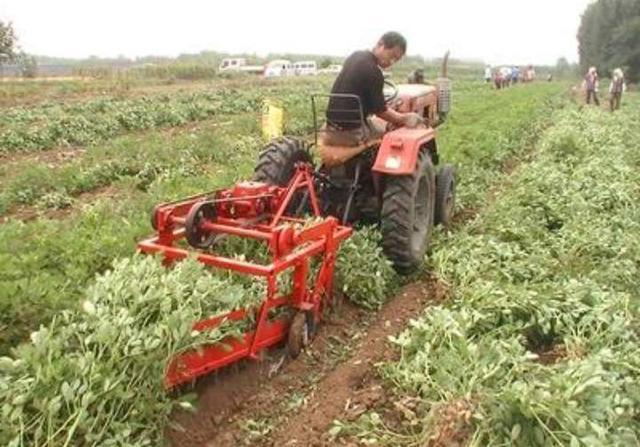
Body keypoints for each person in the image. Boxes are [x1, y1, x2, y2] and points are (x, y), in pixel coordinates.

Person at [322, 31, 423, 163]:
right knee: (388, 131)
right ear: (380, 44)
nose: (391, 62)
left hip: (330, 127)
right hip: (352, 133)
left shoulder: (355, 56)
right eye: (392, 55)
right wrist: (403, 118)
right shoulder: (374, 72)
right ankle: (377, 173)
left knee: (374, 124)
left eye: (396, 60)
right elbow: (381, 111)